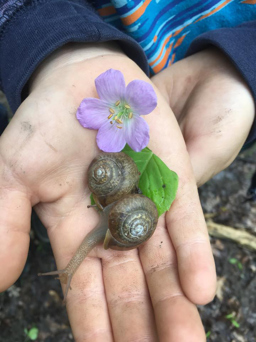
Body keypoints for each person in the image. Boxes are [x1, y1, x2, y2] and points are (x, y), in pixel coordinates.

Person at [0, 1, 255, 341]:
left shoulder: (136, 123)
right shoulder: (120, 116)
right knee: (54, 197)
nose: (119, 114)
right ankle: (41, 224)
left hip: (200, 65)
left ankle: (45, 229)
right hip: (75, 28)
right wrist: (58, 47)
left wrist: (241, 64)